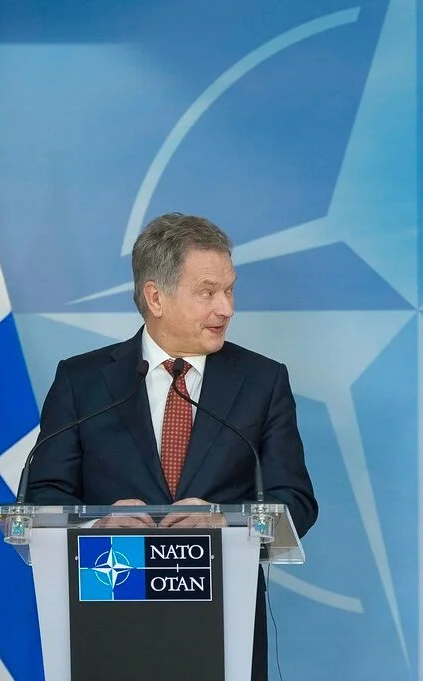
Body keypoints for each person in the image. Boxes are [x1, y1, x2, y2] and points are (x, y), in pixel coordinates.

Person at [28, 212, 317, 681]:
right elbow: (42, 497)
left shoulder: (263, 381)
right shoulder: (83, 382)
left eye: (230, 290)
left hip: (223, 619)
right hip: (109, 610)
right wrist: (98, 524)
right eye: (208, 292)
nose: (226, 308)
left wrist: (226, 521)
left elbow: (296, 502)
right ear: (156, 297)